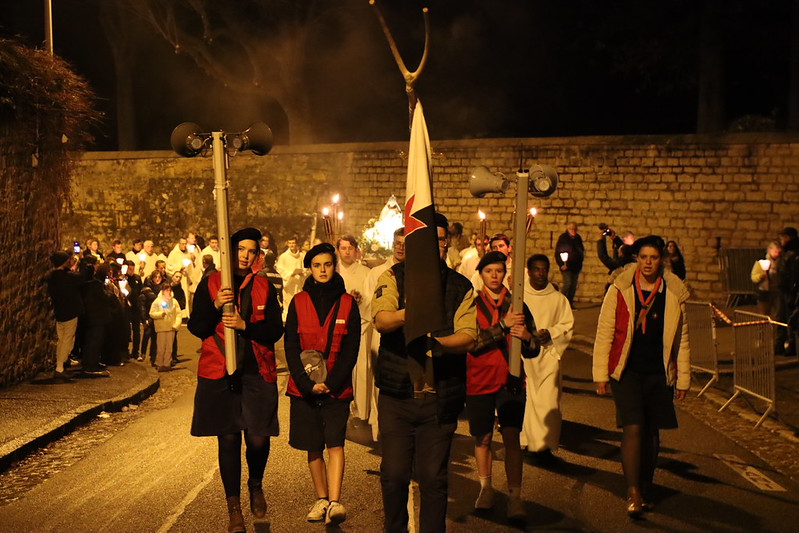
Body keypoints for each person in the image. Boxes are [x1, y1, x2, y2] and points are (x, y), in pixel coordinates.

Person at [372, 212, 477, 533]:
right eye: (430, 240)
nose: (437, 246)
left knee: (433, 478)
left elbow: (469, 335)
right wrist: (412, 311)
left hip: (439, 398)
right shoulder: (393, 277)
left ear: (448, 244)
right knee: (394, 475)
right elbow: (382, 320)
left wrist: (438, 342)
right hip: (398, 395)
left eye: (442, 240)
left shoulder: (461, 286)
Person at [188, 227, 284, 533]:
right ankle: (234, 508)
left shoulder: (264, 286)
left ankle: (255, 483)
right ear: (231, 252)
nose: (246, 255)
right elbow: (198, 327)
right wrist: (215, 306)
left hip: (256, 368)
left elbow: (274, 330)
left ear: (258, 255)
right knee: (228, 437)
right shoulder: (211, 283)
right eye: (241, 249)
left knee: (258, 437)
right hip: (220, 368)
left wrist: (245, 326)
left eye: (252, 251)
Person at [592, 235, 690, 517]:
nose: (648, 263)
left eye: (654, 257)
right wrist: (601, 374)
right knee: (633, 427)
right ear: (636, 258)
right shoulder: (620, 288)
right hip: (626, 370)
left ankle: (646, 486)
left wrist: (683, 377)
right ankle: (633, 490)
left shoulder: (672, 292)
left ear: (662, 260)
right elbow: (605, 332)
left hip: (658, 371)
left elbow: (681, 340)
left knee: (652, 432)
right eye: (643, 257)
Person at [284, 243, 361, 525]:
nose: (323, 270)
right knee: (312, 445)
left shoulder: (348, 303)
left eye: (327, 264)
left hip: (336, 388)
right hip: (304, 388)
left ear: (334, 265)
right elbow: (290, 344)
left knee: (335, 443)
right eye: (317, 266)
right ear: (310, 269)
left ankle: (335, 502)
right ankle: (321, 498)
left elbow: (352, 346)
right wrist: (306, 384)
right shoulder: (298, 301)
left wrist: (333, 382)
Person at [467, 251, 539, 519]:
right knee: (482, 437)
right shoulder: (472, 305)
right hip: (479, 378)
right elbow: (472, 342)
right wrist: (502, 326)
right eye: (489, 271)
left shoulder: (517, 304)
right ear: (481, 274)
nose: (494, 276)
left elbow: (532, 350)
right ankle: (485, 487)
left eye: (499, 271)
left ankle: (515, 496)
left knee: (511, 437)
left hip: (511, 380)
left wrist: (528, 336)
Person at [520, 254, 574, 465]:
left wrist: (551, 333)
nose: (541, 274)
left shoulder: (558, 299)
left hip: (549, 355)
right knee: (528, 402)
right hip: (526, 357)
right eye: (536, 269)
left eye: (544, 270)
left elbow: (567, 324)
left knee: (548, 400)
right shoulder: (519, 295)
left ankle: (542, 446)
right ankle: (528, 443)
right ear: (529, 271)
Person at [361, 227, 406, 440]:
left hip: (406, 334)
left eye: (405, 243)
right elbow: (369, 306)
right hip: (381, 332)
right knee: (381, 382)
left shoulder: (417, 272)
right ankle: (380, 431)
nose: (401, 248)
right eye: (398, 243)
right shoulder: (376, 273)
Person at [336, 235, 372, 423]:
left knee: (361, 368)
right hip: (337, 326)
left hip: (360, 324)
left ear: (356, 250)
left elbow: (370, 298)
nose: (347, 252)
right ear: (338, 250)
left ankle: (360, 409)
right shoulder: (333, 271)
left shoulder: (366, 272)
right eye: (343, 248)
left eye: (350, 248)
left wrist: (360, 300)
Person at [46, 251, 91, 382]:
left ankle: (60, 365)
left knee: (62, 340)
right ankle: (60, 368)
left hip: (60, 311)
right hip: (70, 311)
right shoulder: (66, 277)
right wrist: (83, 262)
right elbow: (82, 277)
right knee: (67, 340)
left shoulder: (53, 277)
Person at [149, 282, 182, 372]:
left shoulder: (174, 302)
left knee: (169, 348)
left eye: (169, 290)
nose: (168, 292)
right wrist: (160, 314)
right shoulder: (157, 301)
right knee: (161, 347)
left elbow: (178, 314)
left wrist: (176, 325)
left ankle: (167, 364)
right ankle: (160, 363)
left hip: (171, 327)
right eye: (167, 290)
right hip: (161, 328)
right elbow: (152, 313)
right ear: (163, 291)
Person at [777, 227, 799, 355]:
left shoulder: (793, 254)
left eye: (783, 237)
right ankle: (781, 345)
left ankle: (791, 346)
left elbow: (792, 274)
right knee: (782, 317)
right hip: (785, 291)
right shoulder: (788, 252)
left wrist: (792, 291)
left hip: (790, 292)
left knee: (790, 319)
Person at [276, 235, 306, 321]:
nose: (292, 245)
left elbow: (307, 269)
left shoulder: (302, 256)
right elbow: (279, 269)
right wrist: (290, 274)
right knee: (288, 304)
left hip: (299, 283)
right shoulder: (283, 257)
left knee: (300, 303)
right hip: (289, 285)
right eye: (290, 243)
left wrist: (302, 272)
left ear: (296, 244)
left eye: (293, 243)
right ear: (288, 244)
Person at [554, 223, 585, 307]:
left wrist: (580, 261)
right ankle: (561, 303)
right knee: (568, 283)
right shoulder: (563, 238)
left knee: (573, 286)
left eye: (575, 229)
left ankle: (569, 303)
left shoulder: (578, 238)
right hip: (566, 266)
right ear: (568, 229)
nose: (573, 231)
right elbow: (558, 253)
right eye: (572, 229)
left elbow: (581, 251)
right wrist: (562, 264)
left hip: (576, 266)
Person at [751, 241, 782, 317]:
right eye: (775, 251)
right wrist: (760, 276)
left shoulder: (781, 261)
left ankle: (775, 328)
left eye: (779, 252)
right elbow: (753, 277)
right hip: (764, 291)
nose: (777, 254)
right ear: (769, 250)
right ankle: (764, 328)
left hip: (777, 291)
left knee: (777, 314)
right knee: (764, 314)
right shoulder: (761, 261)